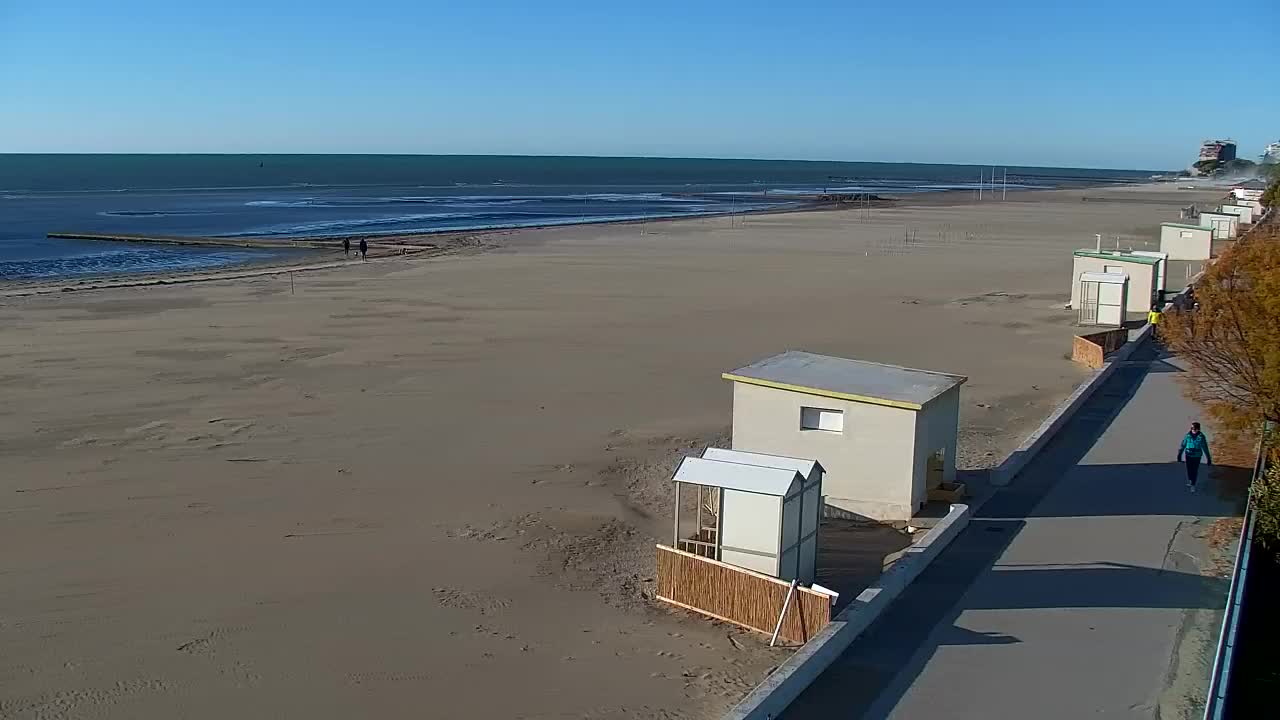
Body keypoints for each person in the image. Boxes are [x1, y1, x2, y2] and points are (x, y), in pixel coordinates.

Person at [1177, 422, 1212, 492]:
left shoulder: (1201, 437)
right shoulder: (1188, 436)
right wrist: (1179, 455)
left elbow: (1205, 448)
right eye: (1192, 428)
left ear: (1198, 429)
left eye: (1195, 428)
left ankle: (1193, 484)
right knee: (1189, 470)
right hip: (1188, 455)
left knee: (1194, 470)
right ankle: (1190, 480)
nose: (1193, 430)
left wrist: (1208, 458)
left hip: (1197, 456)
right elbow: (1183, 445)